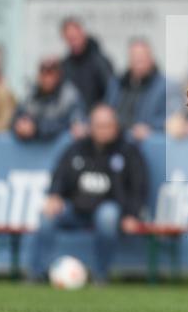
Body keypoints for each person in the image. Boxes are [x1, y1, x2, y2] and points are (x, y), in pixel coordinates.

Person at [28, 104, 148, 284]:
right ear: (90, 126)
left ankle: (101, 274)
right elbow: (60, 175)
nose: (103, 130)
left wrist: (132, 214)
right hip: (76, 208)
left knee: (108, 216)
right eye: (98, 125)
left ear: (116, 126)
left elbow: (139, 186)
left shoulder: (128, 151)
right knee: (46, 217)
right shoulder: (76, 148)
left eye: (107, 125)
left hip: (109, 209)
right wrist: (54, 196)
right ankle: (37, 273)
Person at [13, 56, 87, 141]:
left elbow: (72, 123)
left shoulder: (69, 96)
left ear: (58, 75)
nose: (47, 79)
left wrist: (36, 128)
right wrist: (19, 126)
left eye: (51, 74)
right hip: (30, 152)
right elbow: (16, 118)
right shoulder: (31, 95)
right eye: (44, 74)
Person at [106, 38, 167, 141]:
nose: (138, 61)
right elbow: (107, 109)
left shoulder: (163, 86)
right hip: (115, 139)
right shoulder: (117, 84)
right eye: (135, 57)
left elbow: (170, 120)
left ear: (151, 59)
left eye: (142, 57)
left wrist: (150, 128)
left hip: (144, 140)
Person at [60, 17, 114, 110]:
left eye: (75, 37)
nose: (73, 42)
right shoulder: (65, 66)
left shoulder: (100, 62)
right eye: (70, 39)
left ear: (82, 33)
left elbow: (112, 92)